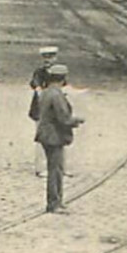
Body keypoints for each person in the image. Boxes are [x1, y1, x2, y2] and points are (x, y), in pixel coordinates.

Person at [32, 64, 82, 213]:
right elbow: (63, 118)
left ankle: (56, 201)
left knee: (54, 169)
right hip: (53, 136)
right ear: (63, 79)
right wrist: (77, 121)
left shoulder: (46, 92)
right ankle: (54, 203)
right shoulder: (57, 95)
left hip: (45, 134)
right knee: (56, 170)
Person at [28, 46, 58, 177]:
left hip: (55, 108)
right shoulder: (39, 72)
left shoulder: (58, 72)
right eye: (45, 57)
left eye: (51, 57)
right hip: (41, 109)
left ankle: (58, 167)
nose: (48, 60)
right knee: (42, 138)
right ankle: (40, 167)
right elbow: (37, 87)